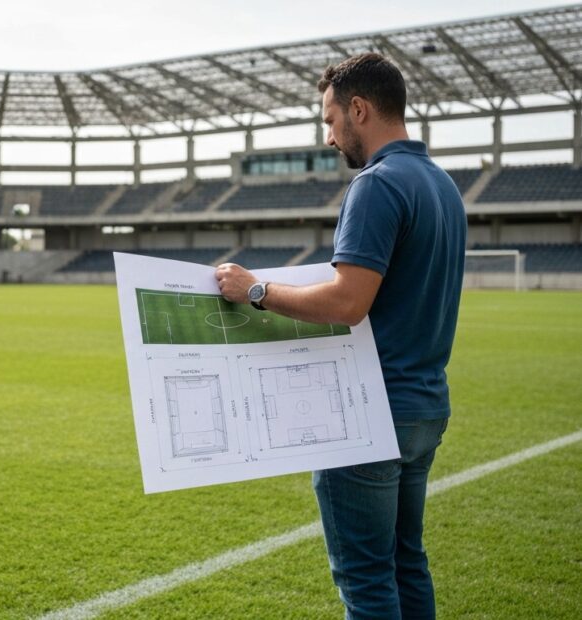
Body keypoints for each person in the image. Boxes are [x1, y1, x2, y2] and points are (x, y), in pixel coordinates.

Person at [215, 52, 466, 619]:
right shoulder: (442, 184)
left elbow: (347, 301)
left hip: (370, 413)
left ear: (359, 109)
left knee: (367, 582)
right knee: (406, 563)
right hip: (425, 407)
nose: (329, 137)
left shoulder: (377, 185)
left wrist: (256, 290)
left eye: (330, 121)